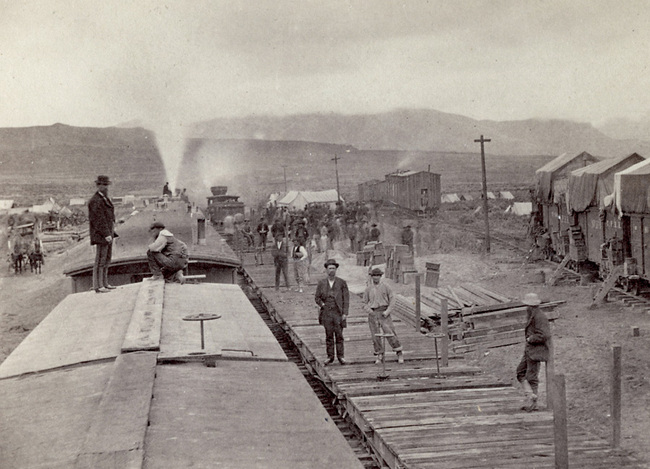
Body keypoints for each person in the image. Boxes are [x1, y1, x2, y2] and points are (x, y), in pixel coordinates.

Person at [516, 292, 551, 412]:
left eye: (528, 305)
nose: (526, 307)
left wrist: (531, 339)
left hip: (536, 351)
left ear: (532, 306)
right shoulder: (532, 315)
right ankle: (531, 396)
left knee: (532, 377)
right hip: (529, 350)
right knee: (520, 372)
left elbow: (545, 335)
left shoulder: (539, 317)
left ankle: (532, 404)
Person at [363, 268, 404, 364]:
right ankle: (379, 354)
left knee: (390, 332)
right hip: (373, 313)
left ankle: (399, 352)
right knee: (375, 335)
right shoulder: (368, 288)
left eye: (378, 275)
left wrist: (387, 311)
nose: (376, 277)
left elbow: (392, 300)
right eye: (374, 275)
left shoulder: (386, 287)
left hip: (384, 313)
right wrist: (370, 311)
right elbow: (364, 302)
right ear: (371, 277)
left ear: (380, 276)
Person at [314, 259, 349, 365]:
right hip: (327, 313)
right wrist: (323, 305)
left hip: (338, 313)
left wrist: (345, 313)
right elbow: (317, 298)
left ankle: (341, 356)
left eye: (333, 268)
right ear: (326, 270)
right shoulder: (321, 283)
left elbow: (346, 299)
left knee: (339, 335)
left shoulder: (342, 283)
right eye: (330, 268)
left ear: (336, 269)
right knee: (329, 335)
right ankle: (330, 357)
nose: (331, 270)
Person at [88, 175, 116, 293]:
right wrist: (106, 234)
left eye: (106, 185)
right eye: (103, 185)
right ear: (98, 186)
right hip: (102, 235)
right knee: (100, 260)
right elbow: (98, 220)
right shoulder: (95, 200)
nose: (106, 187)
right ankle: (98, 286)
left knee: (106, 259)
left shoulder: (104, 198)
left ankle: (104, 283)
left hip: (108, 233)